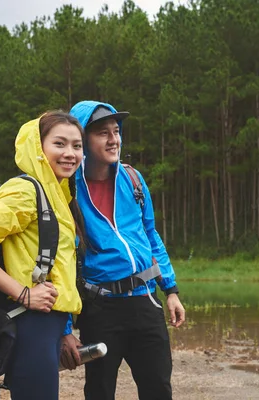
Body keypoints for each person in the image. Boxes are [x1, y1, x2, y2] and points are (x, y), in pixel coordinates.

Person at [0, 110, 85, 400]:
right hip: (29, 323)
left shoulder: (58, 196)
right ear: (38, 148)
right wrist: (23, 293)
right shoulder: (25, 191)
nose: (70, 153)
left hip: (47, 324)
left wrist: (63, 330)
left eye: (77, 146)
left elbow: (56, 272)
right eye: (59, 144)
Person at [61, 100, 186, 400]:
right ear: (82, 141)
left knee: (158, 389)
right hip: (100, 309)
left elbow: (150, 235)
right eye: (102, 133)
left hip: (145, 302)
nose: (113, 139)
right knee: (100, 392)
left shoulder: (133, 180)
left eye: (116, 131)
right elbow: (62, 262)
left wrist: (170, 289)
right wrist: (65, 327)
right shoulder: (67, 191)